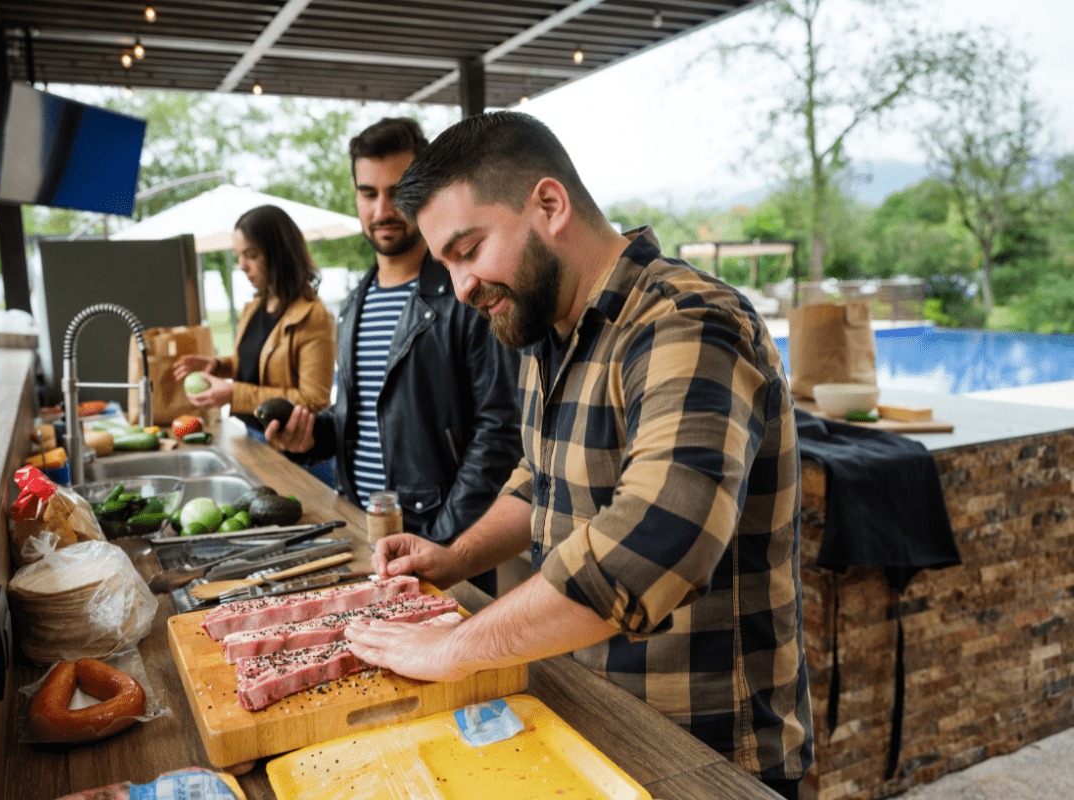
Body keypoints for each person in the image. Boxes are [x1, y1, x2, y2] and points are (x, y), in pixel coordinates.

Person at [341, 112, 813, 799]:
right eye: (447, 264)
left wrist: (450, 649)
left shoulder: (687, 322)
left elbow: (653, 542)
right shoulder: (546, 328)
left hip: (705, 756)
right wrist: (454, 557)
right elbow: (541, 480)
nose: (463, 287)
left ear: (550, 205)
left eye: (469, 249)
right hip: (589, 725)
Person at [266, 117, 521, 596]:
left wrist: (441, 540)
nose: (382, 209)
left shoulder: (466, 293)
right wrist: (314, 437)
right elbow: (364, 417)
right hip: (362, 533)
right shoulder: (353, 301)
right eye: (368, 193)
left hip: (441, 541)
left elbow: (501, 431)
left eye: (398, 190)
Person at [173, 204, 336, 435]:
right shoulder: (255, 307)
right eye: (239, 256)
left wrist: (233, 393)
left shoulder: (314, 316)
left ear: (280, 254)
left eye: (251, 255)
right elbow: (254, 365)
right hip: (253, 434)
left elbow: (314, 400)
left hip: (293, 450)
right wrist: (219, 366)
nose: (241, 266)